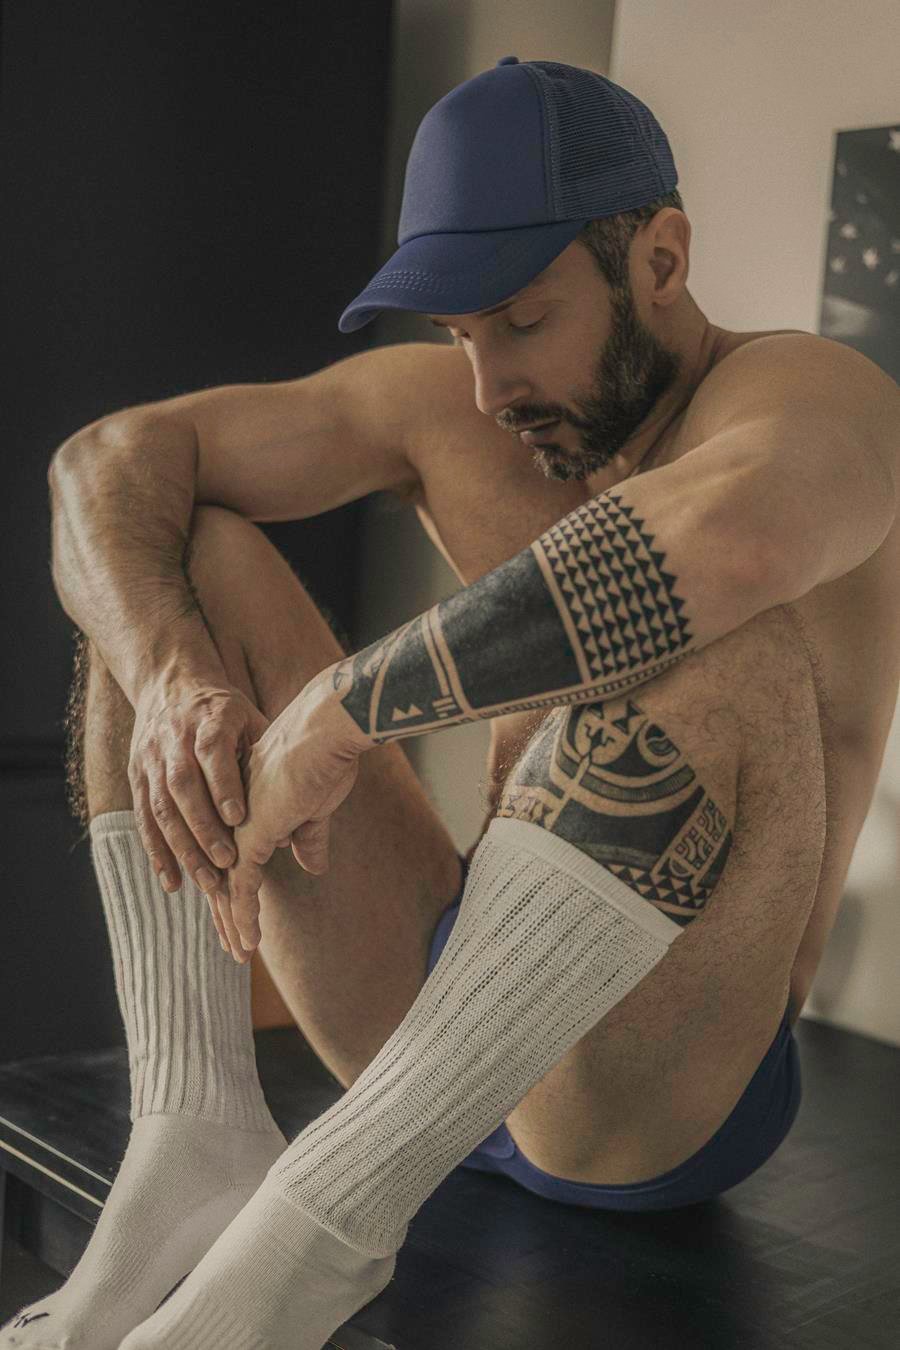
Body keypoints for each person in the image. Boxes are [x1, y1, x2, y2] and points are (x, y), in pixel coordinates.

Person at [5, 57, 898, 1350]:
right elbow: (104, 460)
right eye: (459, 334)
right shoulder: (471, 405)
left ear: (660, 258)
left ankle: (317, 1233)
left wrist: (341, 709)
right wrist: (171, 678)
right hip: (434, 1007)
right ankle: (192, 1134)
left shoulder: (811, 395)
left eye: (523, 320)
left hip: (650, 1092)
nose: (487, 387)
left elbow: (735, 543)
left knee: (718, 633)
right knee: (173, 559)